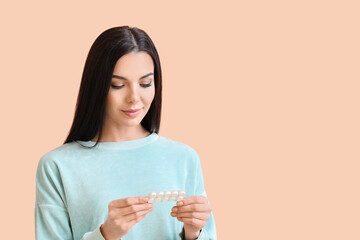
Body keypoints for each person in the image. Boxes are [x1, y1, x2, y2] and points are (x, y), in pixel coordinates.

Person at [35, 26, 217, 240]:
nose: (134, 97)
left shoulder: (184, 158)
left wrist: (194, 233)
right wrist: (106, 234)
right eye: (118, 85)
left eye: (145, 83)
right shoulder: (58, 166)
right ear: (97, 86)